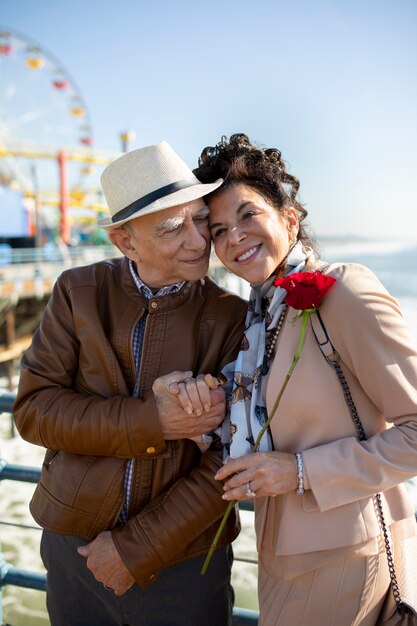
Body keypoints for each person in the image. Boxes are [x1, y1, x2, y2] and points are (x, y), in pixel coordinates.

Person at [168, 133, 417, 625]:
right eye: (217, 230)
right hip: (280, 550)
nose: (233, 237)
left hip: (346, 551)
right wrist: (199, 406)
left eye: (247, 215)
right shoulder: (259, 317)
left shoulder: (343, 291)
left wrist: (300, 471)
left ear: (289, 218)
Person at [12, 141, 248, 626]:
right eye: (171, 228)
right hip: (72, 552)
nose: (199, 240)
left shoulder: (233, 317)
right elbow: (33, 411)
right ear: (125, 241)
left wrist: (136, 548)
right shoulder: (77, 292)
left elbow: (231, 456)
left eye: (201, 219)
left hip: (185, 561)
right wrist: (154, 420)